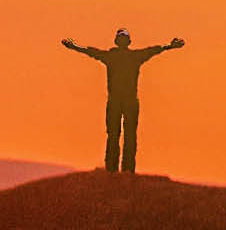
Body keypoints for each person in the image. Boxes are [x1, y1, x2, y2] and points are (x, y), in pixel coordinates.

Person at [60, 28, 184, 174]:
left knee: (122, 135)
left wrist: (74, 47)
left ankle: (122, 170)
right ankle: (118, 170)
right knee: (119, 135)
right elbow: (153, 50)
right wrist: (170, 46)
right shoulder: (127, 57)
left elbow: (91, 52)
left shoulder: (121, 57)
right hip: (120, 102)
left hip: (123, 102)